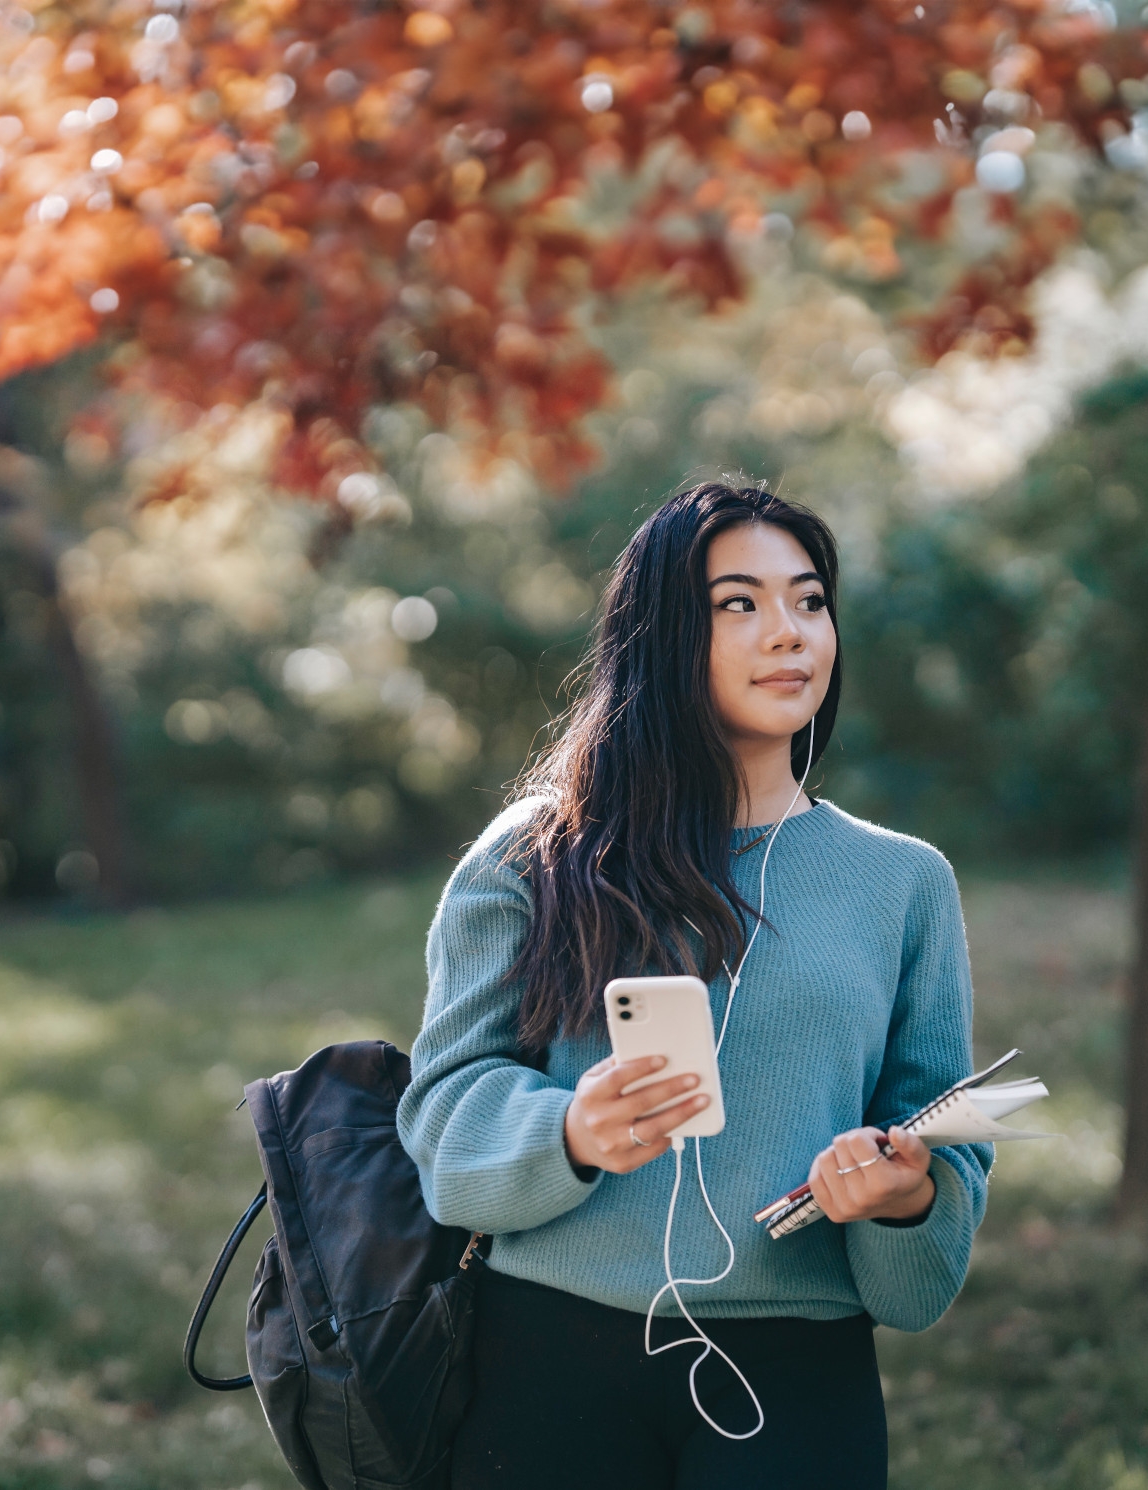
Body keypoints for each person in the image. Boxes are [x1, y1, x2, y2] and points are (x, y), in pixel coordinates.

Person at [396, 482, 993, 1489]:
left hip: (800, 1368)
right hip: (544, 1355)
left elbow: (941, 1152)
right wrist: (571, 1131)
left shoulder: (905, 881)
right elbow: (444, 1119)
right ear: (666, 633)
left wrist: (906, 1191)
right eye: (740, 603)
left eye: (809, 600)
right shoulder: (535, 855)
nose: (788, 633)